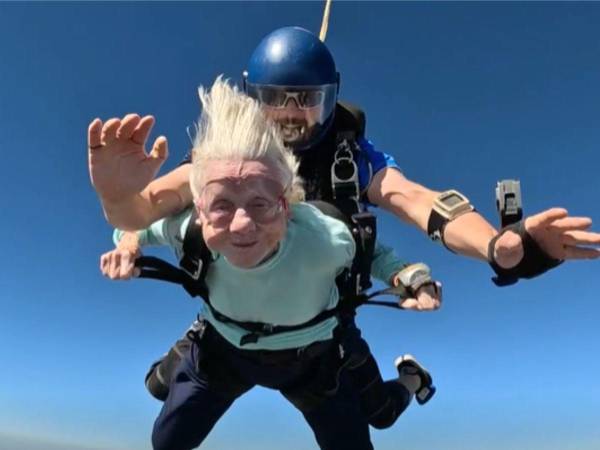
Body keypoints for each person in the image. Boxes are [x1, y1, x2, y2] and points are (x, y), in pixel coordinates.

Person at [122, 76, 429, 449]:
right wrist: (127, 242)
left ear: (285, 207)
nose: (241, 225)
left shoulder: (319, 232)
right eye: (222, 205)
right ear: (201, 208)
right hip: (227, 346)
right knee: (162, 418)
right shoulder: (195, 226)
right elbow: (138, 224)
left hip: (315, 355)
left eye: (259, 205)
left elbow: (366, 249)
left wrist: (409, 276)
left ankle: (412, 378)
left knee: (380, 413)